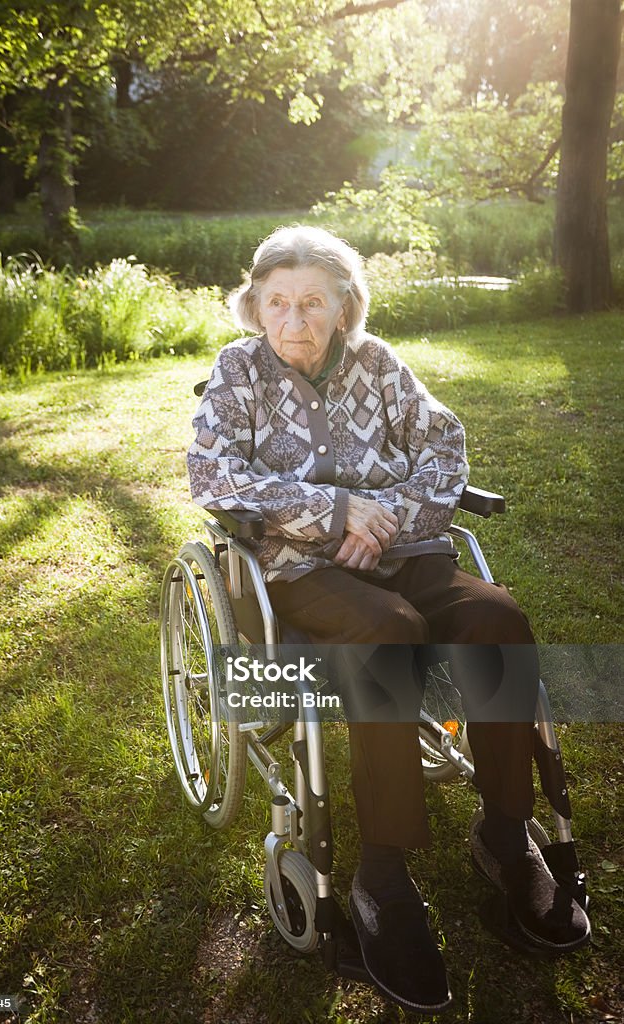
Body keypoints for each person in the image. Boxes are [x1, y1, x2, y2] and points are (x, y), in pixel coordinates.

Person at [187, 225, 590, 1014]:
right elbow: (212, 473)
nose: (292, 320)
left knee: (495, 619)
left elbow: (446, 445)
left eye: (311, 302)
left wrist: (386, 519)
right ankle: (381, 870)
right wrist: (335, 512)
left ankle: (506, 831)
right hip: (301, 571)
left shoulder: (381, 366)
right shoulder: (238, 371)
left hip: (409, 552)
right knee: (388, 633)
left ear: (344, 307)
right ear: (255, 307)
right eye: (276, 303)